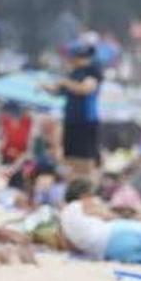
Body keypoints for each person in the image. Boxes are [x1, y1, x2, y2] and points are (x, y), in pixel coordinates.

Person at [46, 44, 102, 179]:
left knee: (85, 159)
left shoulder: (92, 72)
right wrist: (46, 86)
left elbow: (85, 89)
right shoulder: (73, 74)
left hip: (85, 121)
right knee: (70, 158)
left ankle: (86, 185)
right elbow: (58, 91)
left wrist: (65, 83)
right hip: (71, 120)